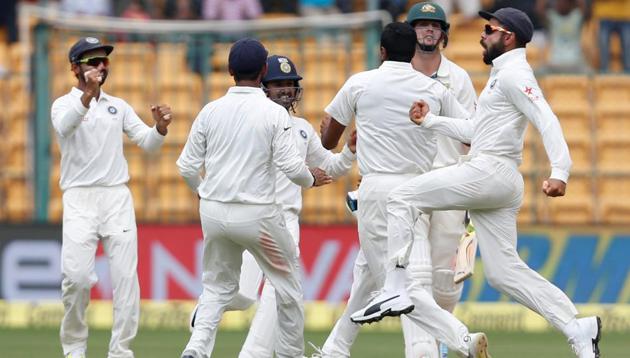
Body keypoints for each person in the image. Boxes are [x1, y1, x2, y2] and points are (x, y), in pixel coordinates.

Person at [357, 8, 602, 358]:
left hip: (489, 172)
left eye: (490, 30)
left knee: (400, 198)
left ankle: (395, 287)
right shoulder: (501, 76)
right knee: (503, 274)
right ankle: (576, 326)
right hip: (497, 179)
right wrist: (430, 123)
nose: (482, 35)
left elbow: (545, 117)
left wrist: (560, 170)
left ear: (509, 37)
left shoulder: (515, 74)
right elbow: (475, 131)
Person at [319, 21, 489, 358]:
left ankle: (459, 341)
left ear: (380, 51)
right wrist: (432, 123)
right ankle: (333, 351)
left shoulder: (360, 84)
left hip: (377, 191)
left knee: (400, 287)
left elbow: (328, 139)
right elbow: (473, 134)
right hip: (419, 190)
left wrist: (356, 138)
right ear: (413, 52)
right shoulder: (434, 90)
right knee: (369, 273)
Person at [187, 54, 357, 357]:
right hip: (257, 214)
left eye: (290, 85)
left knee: (276, 296)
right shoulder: (252, 118)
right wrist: (308, 178)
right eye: (278, 84)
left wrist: (349, 152)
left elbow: (330, 167)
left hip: (284, 220)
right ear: (263, 83)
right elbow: (299, 172)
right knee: (241, 295)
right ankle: (206, 314)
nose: (286, 91)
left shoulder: (302, 128)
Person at [51, 37, 173, 358]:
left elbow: (146, 143)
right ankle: (75, 349)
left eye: (104, 60)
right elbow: (65, 128)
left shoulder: (118, 106)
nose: (101, 66)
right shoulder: (63, 104)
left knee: (125, 281)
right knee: (76, 279)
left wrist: (159, 129)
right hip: (79, 198)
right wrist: (87, 97)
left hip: (116, 197)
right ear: (75, 68)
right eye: (93, 61)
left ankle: (120, 351)